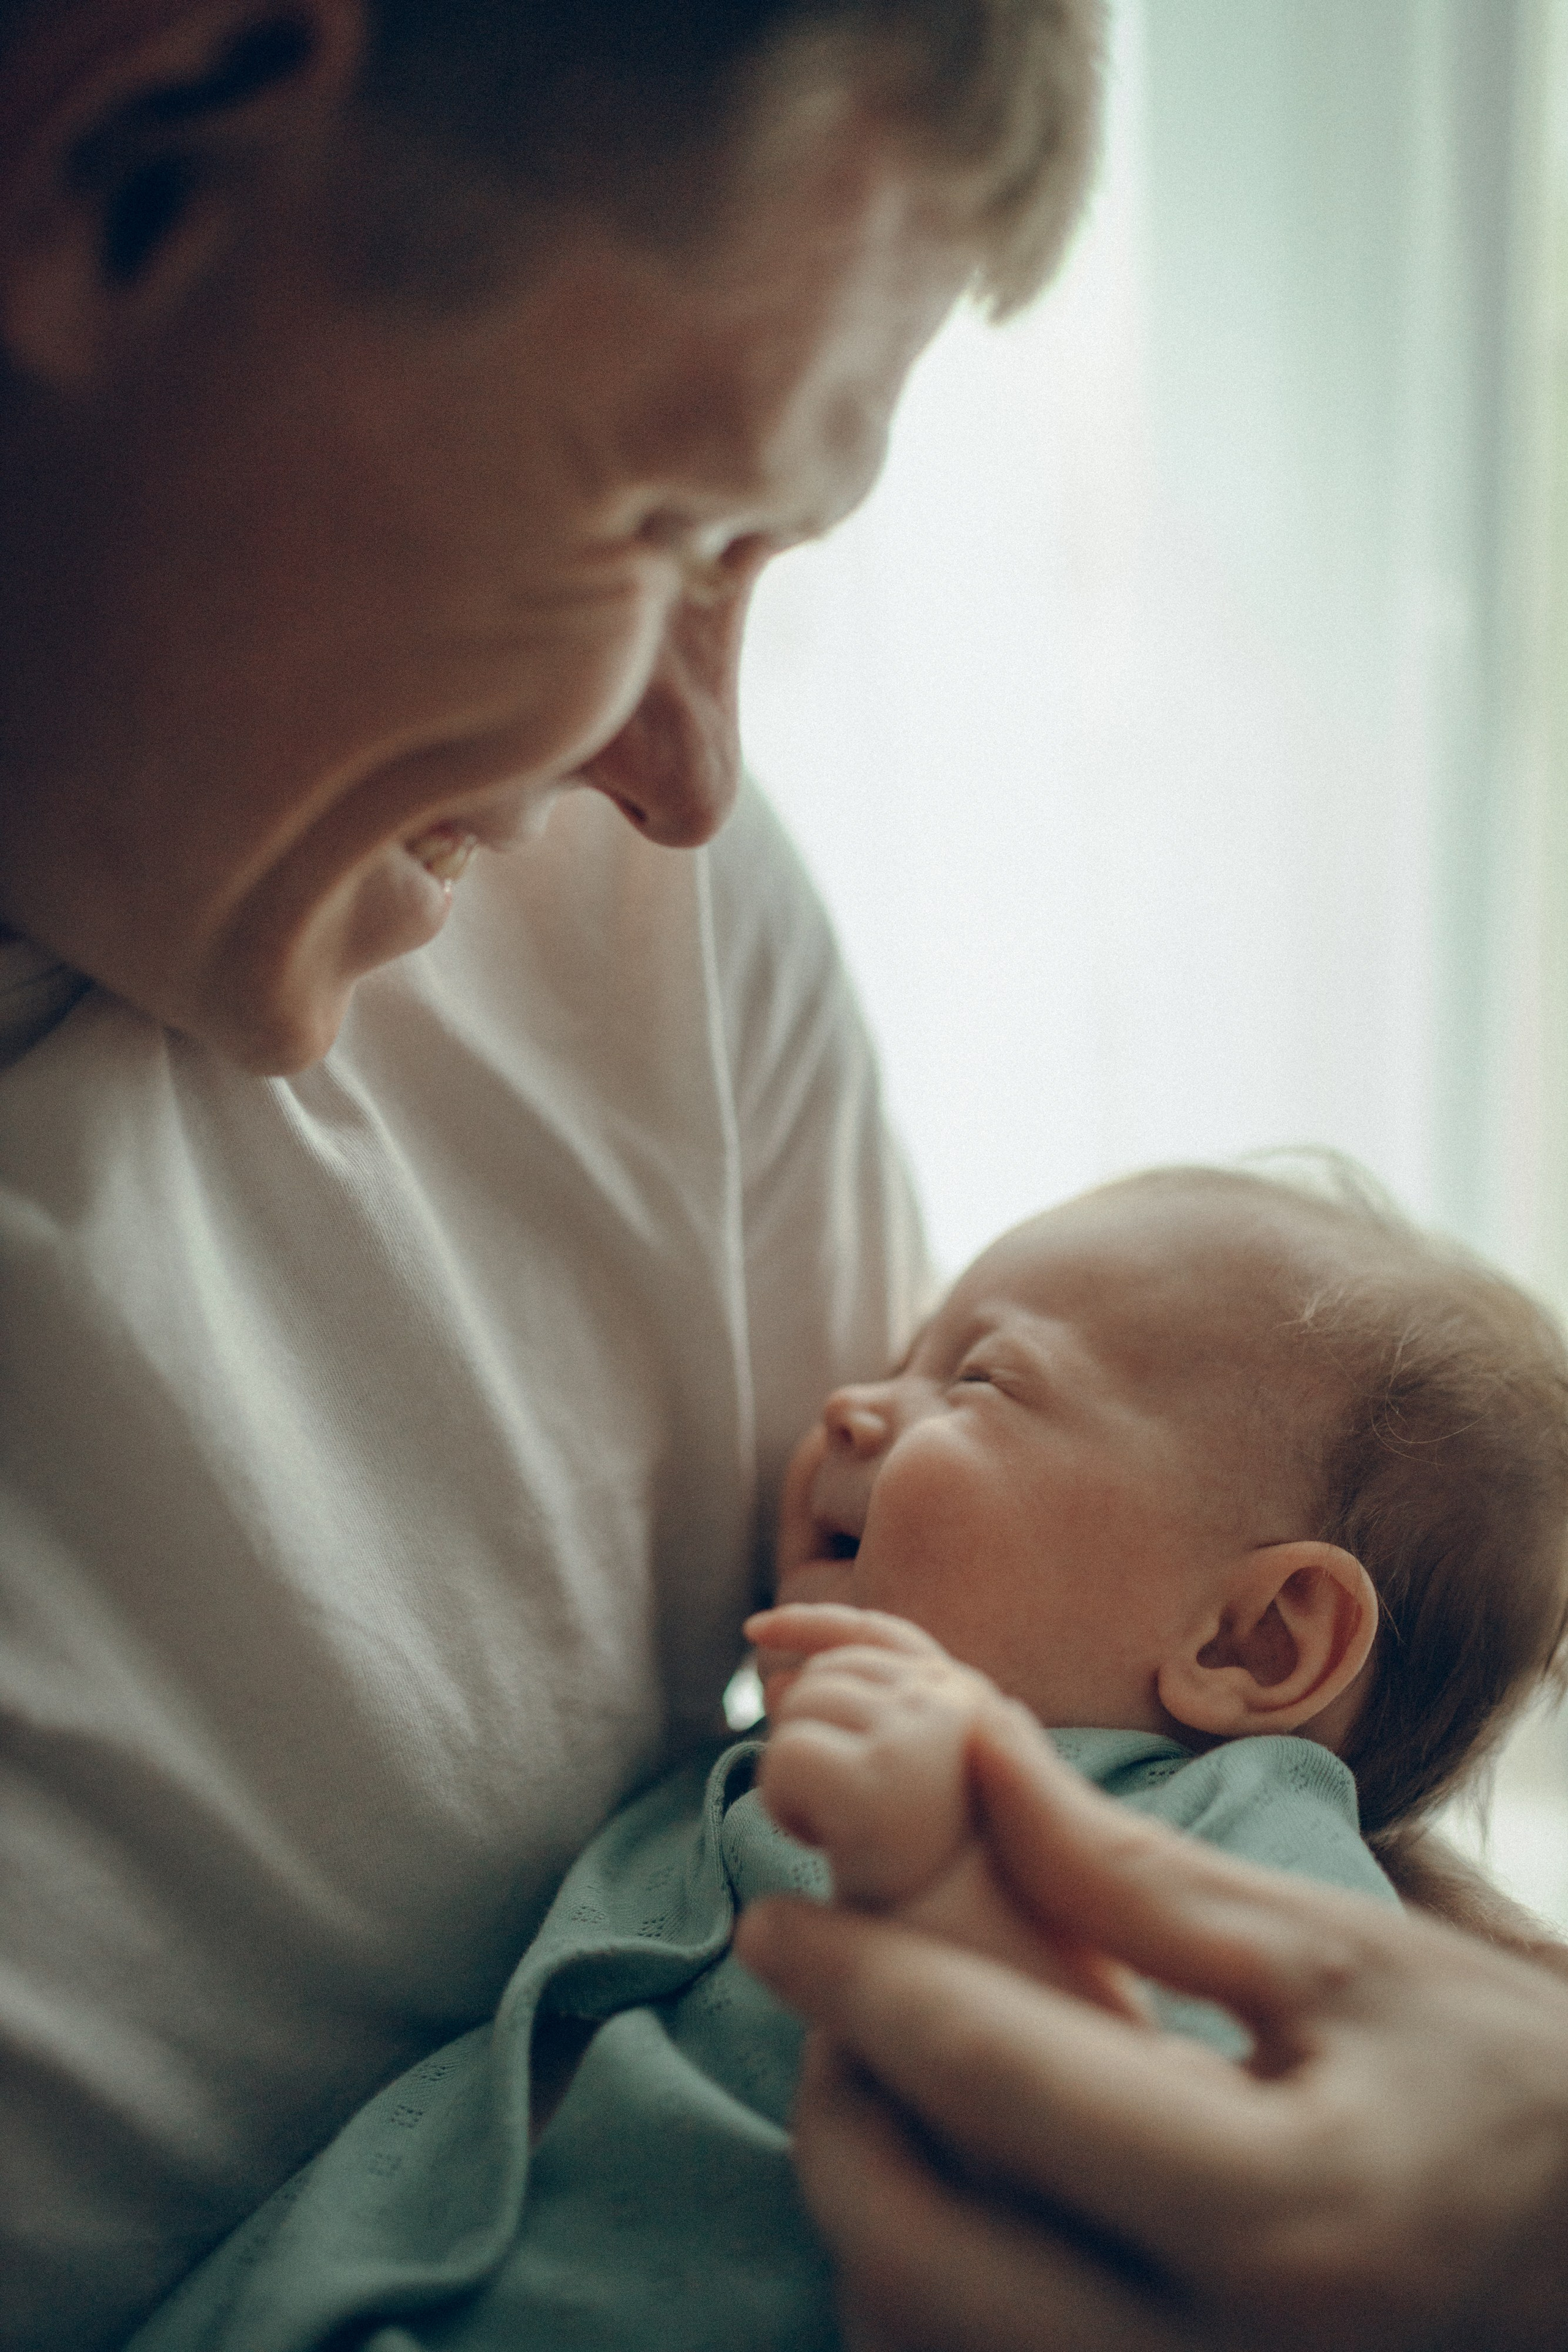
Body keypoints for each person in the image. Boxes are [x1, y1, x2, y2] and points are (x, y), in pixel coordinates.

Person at [0, 2, 1107, 2346]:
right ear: (134, 184)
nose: (689, 776)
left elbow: (1114, 1748)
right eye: (669, 527)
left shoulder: (646, 936)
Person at [121, 1161, 1568, 2349]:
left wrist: (943, 1876)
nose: (852, 1409)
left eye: (983, 1381)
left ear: (1253, 1643)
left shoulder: (1237, 1829)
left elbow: (1209, 2153)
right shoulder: (736, 1757)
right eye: (899, 1360)